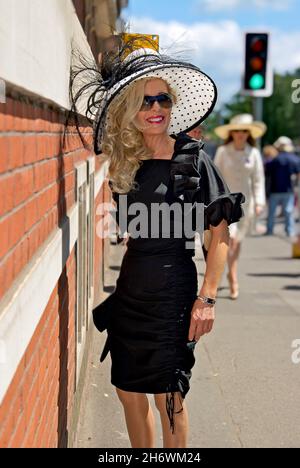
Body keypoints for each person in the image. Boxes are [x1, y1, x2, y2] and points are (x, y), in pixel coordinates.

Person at [70, 38, 245, 448]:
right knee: (128, 392)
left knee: (169, 398)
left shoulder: (194, 160)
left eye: (163, 100)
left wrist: (208, 298)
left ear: (172, 105)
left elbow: (219, 233)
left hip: (173, 293)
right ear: (131, 110)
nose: (155, 110)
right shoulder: (124, 160)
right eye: (146, 101)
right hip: (131, 290)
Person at [214, 114, 266, 299]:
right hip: (227, 203)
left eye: (244, 131)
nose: (240, 134)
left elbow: (258, 180)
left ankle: (230, 271)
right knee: (231, 240)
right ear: (231, 133)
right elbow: (216, 176)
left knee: (237, 241)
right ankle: (233, 276)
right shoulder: (222, 151)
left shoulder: (253, 152)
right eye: (237, 131)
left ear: (249, 133)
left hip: (247, 204)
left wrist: (260, 202)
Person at [265, 136, 300, 237]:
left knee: (271, 212)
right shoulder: (294, 159)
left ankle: (269, 230)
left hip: (274, 189)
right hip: (288, 190)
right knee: (288, 212)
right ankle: (289, 231)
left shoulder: (274, 160)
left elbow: (267, 173)